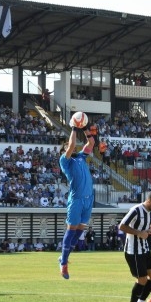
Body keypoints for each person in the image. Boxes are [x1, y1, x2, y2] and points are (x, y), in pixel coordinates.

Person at [57, 116, 96, 279]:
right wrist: (74, 127)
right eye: (67, 147)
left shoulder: (80, 157)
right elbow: (72, 144)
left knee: (79, 232)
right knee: (71, 230)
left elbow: (91, 144)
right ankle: (63, 263)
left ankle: (64, 257)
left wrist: (85, 128)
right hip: (77, 199)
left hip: (88, 199)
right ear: (64, 151)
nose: (71, 147)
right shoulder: (64, 161)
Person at [120, 191, 151, 302]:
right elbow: (122, 226)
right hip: (133, 250)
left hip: (144, 248)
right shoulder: (136, 210)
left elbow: (146, 228)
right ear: (149, 201)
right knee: (142, 279)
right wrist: (139, 233)